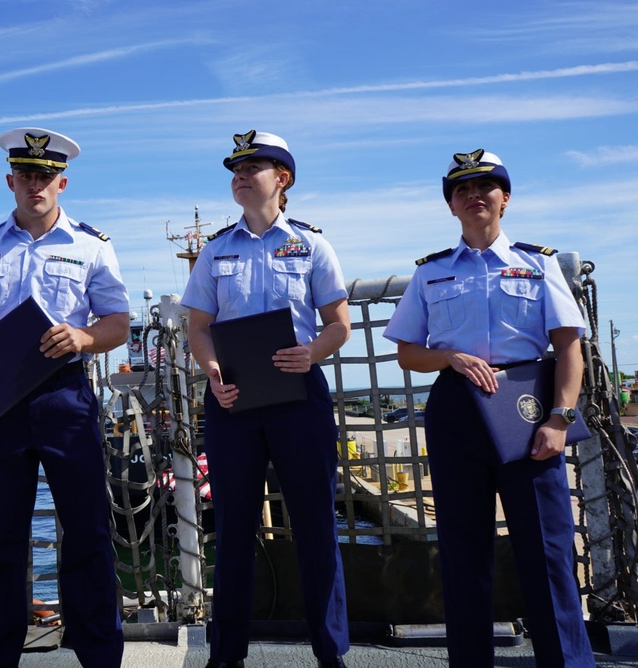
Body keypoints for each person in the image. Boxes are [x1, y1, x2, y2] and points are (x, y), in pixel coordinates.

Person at [383, 149, 595, 667]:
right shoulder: (430, 273)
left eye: (485, 187)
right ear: (451, 207)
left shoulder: (537, 264)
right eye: (461, 191)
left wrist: (559, 418)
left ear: (505, 198)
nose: (473, 196)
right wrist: (449, 356)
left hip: (525, 404)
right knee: (462, 547)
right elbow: (408, 352)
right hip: (457, 406)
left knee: (547, 548)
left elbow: (569, 346)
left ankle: (567, 661)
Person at [0, 127, 128, 668]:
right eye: (25, 175)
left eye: (45, 176)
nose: (35, 184)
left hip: (65, 396)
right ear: (10, 181)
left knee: (88, 531)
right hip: (1, 398)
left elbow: (118, 322)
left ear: (62, 183)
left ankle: (99, 655)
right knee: (3, 535)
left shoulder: (92, 245)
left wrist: (84, 337)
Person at [182, 130, 351, 668]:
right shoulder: (214, 251)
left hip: (299, 395)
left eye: (252, 167)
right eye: (234, 169)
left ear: (282, 179)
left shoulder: (312, 245)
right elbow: (199, 327)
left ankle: (331, 651)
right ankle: (226, 655)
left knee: (315, 524)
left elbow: (339, 325)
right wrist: (208, 367)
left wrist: (312, 352)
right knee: (232, 527)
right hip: (231, 400)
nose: (239, 176)